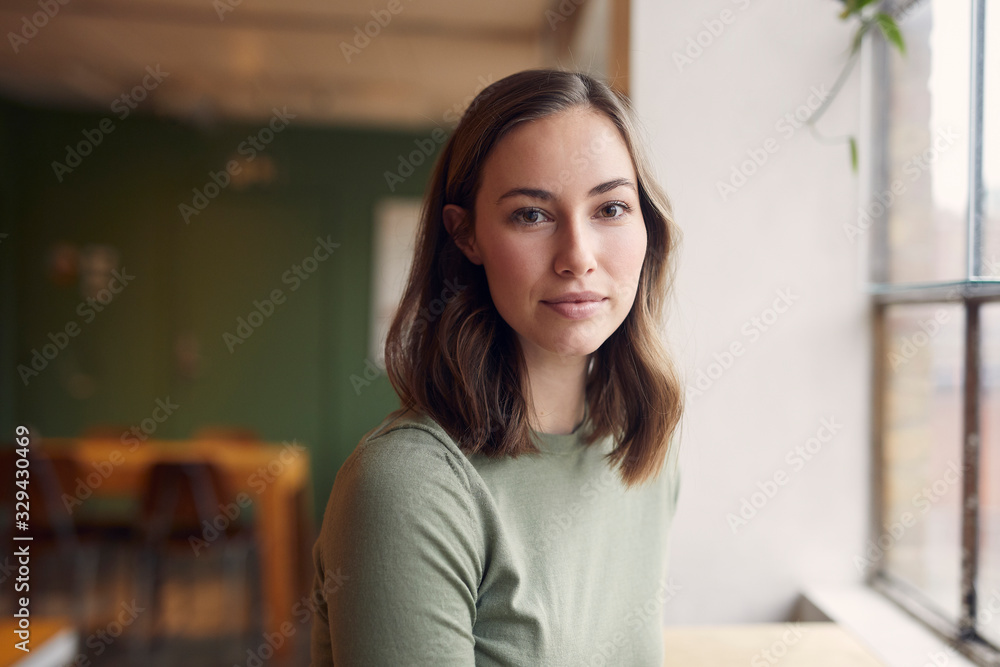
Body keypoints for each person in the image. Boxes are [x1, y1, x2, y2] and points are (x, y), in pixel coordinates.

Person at [309, 68, 685, 666]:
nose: (578, 258)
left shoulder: (641, 447)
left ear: (647, 224)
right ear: (466, 235)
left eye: (611, 207)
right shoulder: (408, 486)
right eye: (532, 215)